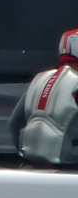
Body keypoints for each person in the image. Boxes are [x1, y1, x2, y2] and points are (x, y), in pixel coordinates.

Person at [11, 29, 78, 168]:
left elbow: (14, 124)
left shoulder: (40, 79)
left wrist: (25, 155)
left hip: (32, 165)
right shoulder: (75, 85)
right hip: (69, 168)